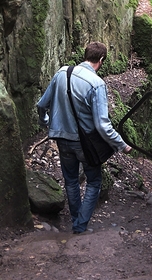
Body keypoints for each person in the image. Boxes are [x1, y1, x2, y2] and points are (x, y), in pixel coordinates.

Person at [36, 42, 131, 234]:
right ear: (101, 60)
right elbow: (102, 125)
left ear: (85, 55)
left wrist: (46, 122)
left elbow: (41, 105)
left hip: (61, 139)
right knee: (94, 181)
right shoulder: (96, 84)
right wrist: (121, 145)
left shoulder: (62, 72)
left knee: (70, 180)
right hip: (84, 143)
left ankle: (76, 219)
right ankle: (80, 225)